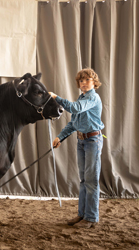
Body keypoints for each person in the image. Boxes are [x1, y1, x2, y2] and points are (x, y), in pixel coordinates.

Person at [49, 68, 104, 228]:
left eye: (87, 80)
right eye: (81, 81)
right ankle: (82, 215)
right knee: (84, 180)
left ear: (94, 82)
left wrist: (56, 98)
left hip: (92, 140)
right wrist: (61, 137)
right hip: (82, 141)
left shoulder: (93, 97)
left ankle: (91, 218)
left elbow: (74, 108)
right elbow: (74, 123)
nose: (84, 83)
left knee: (91, 180)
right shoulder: (83, 97)